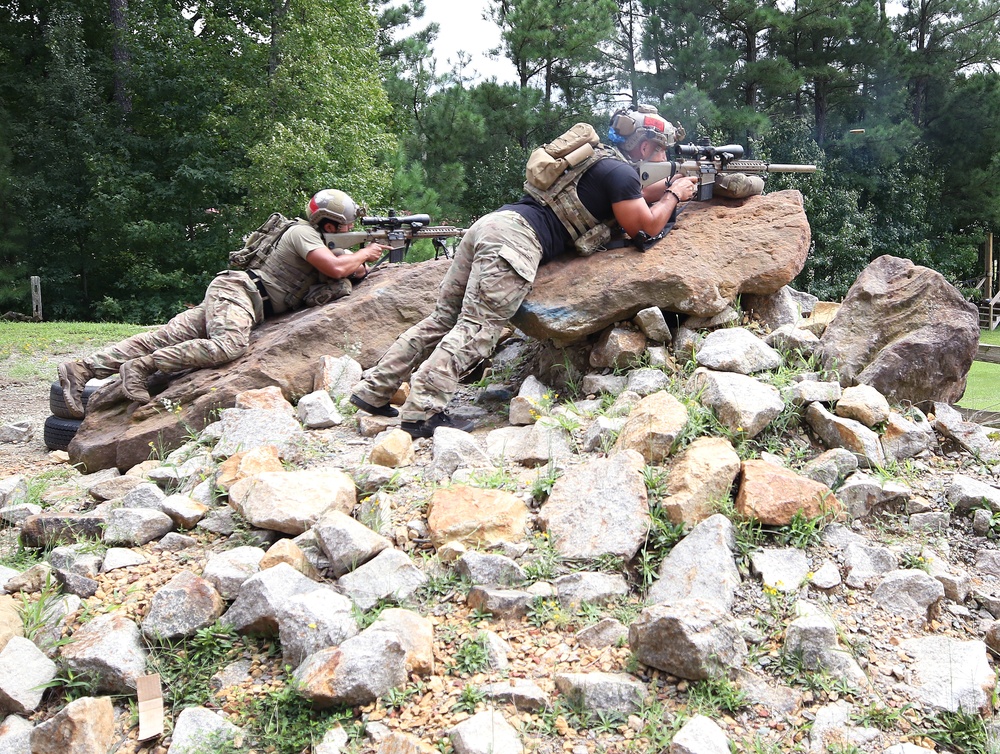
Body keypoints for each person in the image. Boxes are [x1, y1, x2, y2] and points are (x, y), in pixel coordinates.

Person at [349, 106, 699, 438]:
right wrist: (674, 194)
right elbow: (646, 227)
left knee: (443, 320)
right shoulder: (621, 173)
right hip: (516, 242)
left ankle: (375, 390)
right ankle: (422, 413)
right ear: (644, 145)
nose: (662, 159)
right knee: (477, 328)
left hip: (492, 225)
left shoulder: (600, 162)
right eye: (659, 151)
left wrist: (668, 187)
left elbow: (632, 195)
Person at [57, 189, 391, 417]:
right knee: (229, 346)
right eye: (348, 224)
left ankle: (81, 369)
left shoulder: (324, 241)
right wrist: (366, 251)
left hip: (240, 299)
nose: (352, 228)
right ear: (330, 224)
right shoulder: (302, 234)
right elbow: (334, 267)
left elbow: (351, 269)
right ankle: (141, 367)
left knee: (164, 337)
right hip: (239, 293)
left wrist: (364, 255)